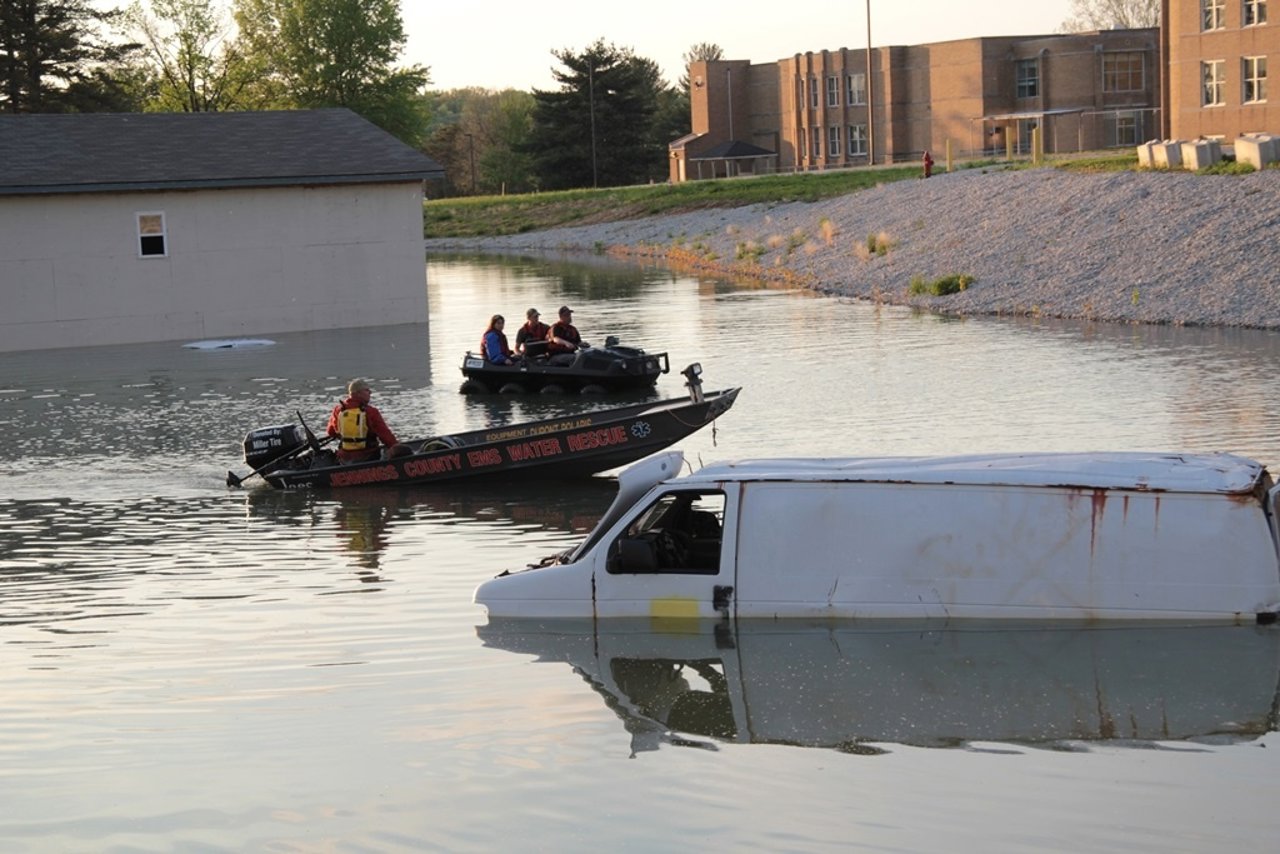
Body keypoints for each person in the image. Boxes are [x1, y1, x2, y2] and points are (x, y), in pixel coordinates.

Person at [327, 379, 401, 464]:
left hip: (344, 458)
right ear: (357, 393)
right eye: (367, 390)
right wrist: (397, 448)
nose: (370, 392)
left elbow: (331, 432)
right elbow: (385, 435)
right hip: (368, 456)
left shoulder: (338, 410)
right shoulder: (370, 412)